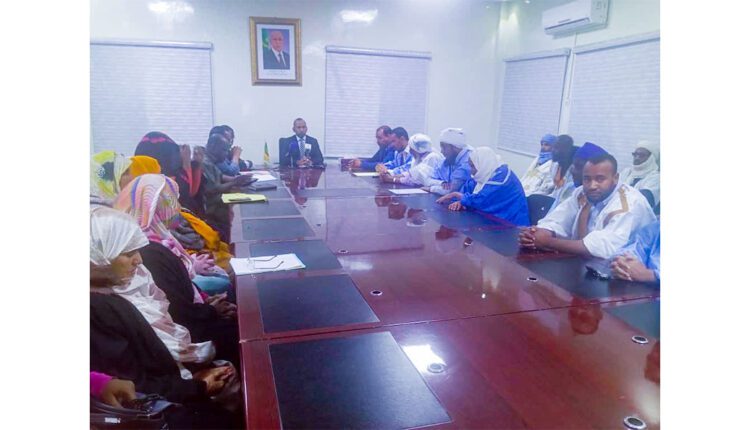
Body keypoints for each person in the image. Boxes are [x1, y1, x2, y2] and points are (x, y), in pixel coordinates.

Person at [90, 207, 242, 424]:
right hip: (156, 406)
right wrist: (197, 386)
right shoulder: (98, 310)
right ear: (97, 257)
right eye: (128, 253)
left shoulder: (128, 283)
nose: (139, 260)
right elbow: (134, 386)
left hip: (171, 381)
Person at [114, 173, 234, 295]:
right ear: (155, 207)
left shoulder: (157, 230)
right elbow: (166, 278)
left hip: (185, 276)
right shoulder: (147, 244)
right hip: (175, 291)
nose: (177, 208)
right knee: (224, 281)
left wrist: (192, 262)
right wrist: (192, 267)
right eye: (171, 202)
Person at [519, 153, 656, 259]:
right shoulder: (581, 193)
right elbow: (558, 219)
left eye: (600, 179)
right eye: (587, 179)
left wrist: (547, 242)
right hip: (586, 265)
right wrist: (537, 234)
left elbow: (601, 247)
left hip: (629, 275)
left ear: (615, 178)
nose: (592, 185)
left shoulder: (629, 203)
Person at [436, 147, 530, 226]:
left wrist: (457, 195)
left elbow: (482, 200)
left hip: (512, 227)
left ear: (483, 163)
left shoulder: (502, 178)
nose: (471, 171)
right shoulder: (484, 172)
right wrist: (461, 201)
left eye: (473, 166)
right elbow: (468, 188)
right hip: (493, 222)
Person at [135, 131, 205, 217]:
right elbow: (184, 199)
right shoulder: (165, 182)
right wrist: (186, 165)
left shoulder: (138, 180)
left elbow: (191, 195)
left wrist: (194, 166)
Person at [202, 134, 256, 241]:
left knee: (247, 198)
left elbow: (220, 176)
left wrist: (238, 180)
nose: (226, 154)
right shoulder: (205, 162)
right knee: (239, 215)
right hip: (212, 208)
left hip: (218, 200)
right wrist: (234, 182)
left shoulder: (211, 161)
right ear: (213, 146)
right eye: (224, 150)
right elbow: (213, 189)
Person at [547, 141, 607, 212]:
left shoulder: (603, 202)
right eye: (573, 164)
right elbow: (553, 214)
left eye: (578, 166)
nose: (572, 170)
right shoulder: (570, 188)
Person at [380, 133, 445, 186]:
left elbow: (417, 180)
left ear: (418, 149)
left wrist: (392, 179)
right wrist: (390, 176)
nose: (410, 151)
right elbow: (410, 173)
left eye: (411, 149)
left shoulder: (432, 157)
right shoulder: (418, 158)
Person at [423, 128, 473, 195]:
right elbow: (428, 179)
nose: (441, 151)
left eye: (444, 147)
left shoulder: (467, 162)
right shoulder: (450, 159)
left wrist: (431, 189)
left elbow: (452, 190)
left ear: (455, 147)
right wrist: (441, 183)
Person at [619, 140, 660, 208]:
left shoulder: (656, 177)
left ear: (651, 158)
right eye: (635, 154)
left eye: (641, 155)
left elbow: (642, 199)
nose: (637, 158)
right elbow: (613, 190)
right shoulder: (627, 172)